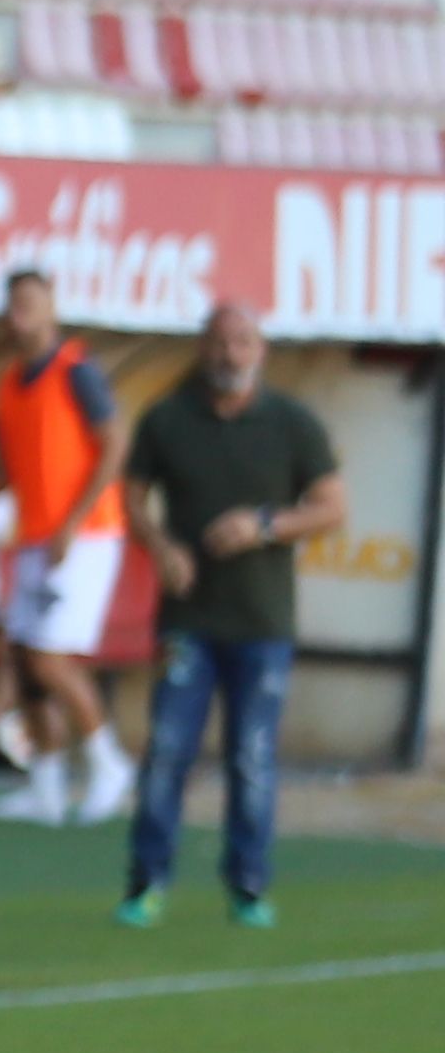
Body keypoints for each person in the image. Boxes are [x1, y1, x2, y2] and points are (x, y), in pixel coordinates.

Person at [115, 303, 341, 927]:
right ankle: (146, 884)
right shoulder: (167, 418)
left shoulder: (292, 423)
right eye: (219, 343)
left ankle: (248, 887)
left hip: (263, 621)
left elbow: (331, 507)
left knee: (251, 755)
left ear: (261, 350)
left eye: (242, 342)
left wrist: (264, 526)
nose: (230, 355)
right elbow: (129, 498)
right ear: (201, 348)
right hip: (188, 617)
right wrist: (161, 549)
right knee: (166, 750)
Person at [0, 271, 130, 822]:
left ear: (51, 309)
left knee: (49, 657)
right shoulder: (10, 380)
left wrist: (74, 518)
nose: (20, 314)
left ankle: (108, 763)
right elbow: (13, 453)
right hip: (35, 534)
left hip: (83, 534)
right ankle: (46, 785)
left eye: (30, 303)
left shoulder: (77, 371)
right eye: (13, 303)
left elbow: (113, 443)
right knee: (22, 656)